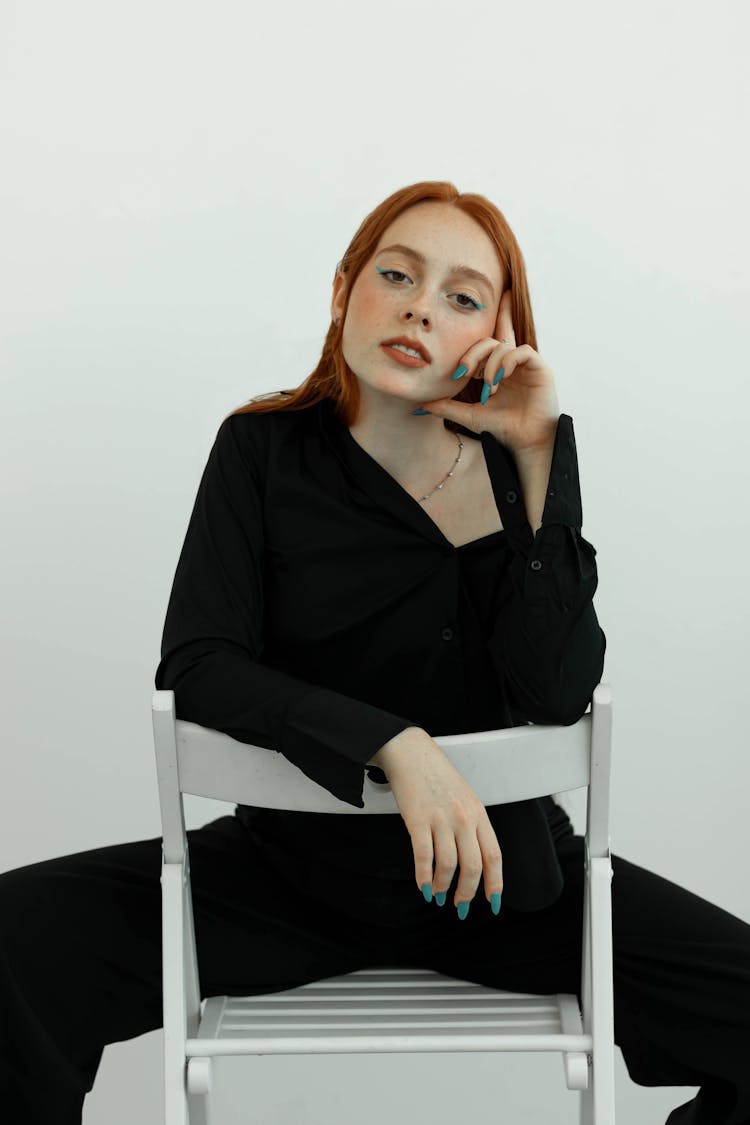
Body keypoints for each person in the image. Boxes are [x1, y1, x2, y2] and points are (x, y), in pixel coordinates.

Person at [0, 182, 748, 1125]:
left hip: (508, 892)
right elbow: (199, 662)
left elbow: (560, 689)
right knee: (13, 939)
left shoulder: (530, 463)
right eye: (396, 275)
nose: (420, 306)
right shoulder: (260, 451)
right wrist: (395, 744)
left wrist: (538, 453)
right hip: (283, 879)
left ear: (499, 333)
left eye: (463, 296)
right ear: (345, 288)